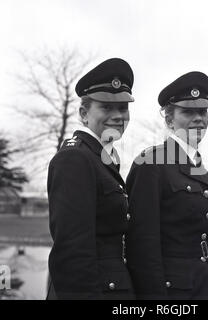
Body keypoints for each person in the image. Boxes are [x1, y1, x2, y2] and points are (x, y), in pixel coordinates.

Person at [125, 71, 208, 300]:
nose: (198, 118)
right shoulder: (151, 164)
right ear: (169, 120)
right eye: (188, 112)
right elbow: (142, 248)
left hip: (205, 288)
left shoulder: (200, 169)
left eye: (202, 111)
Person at [46, 58, 135, 300]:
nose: (118, 116)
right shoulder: (75, 159)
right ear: (84, 114)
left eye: (123, 108)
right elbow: (72, 254)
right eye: (106, 107)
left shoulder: (101, 158)